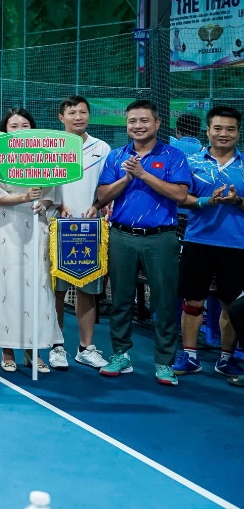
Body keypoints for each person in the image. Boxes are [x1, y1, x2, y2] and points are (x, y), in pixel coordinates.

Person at [94, 100, 192, 386]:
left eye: (144, 120)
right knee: (120, 299)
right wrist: (127, 177)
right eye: (132, 121)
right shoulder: (116, 156)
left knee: (164, 301)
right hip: (121, 236)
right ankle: (120, 355)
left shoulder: (173, 156)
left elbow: (180, 195)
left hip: (161, 238)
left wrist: (144, 175)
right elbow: (102, 196)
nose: (138, 126)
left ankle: (164, 362)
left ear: (157, 123)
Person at [0, 109, 61, 373]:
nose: (19, 130)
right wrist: (24, 197)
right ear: (5, 131)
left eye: (25, 125)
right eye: (14, 126)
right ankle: (7, 350)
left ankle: (34, 350)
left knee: (38, 288)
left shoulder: (45, 158)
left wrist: (43, 203)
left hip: (36, 226)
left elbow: (53, 193)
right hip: (8, 227)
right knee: (7, 287)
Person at [174, 105, 244, 378]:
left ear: (238, 133)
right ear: (208, 131)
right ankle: (190, 356)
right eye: (218, 128)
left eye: (230, 129)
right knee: (192, 302)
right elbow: (181, 199)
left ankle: (226, 359)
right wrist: (207, 201)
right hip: (197, 241)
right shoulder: (191, 162)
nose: (223, 133)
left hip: (236, 245)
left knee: (231, 305)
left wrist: (237, 201)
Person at [52, 96, 111, 370]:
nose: (78, 117)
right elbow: (45, 185)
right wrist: (58, 205)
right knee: (57, 291)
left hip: (91, 230)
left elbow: (107, 187)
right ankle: (56, 345)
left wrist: (97, 207)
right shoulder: (51, 148)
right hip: (56, 228)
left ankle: (86, 348)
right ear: (61, 117)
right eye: (72, 112)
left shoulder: (102, 148)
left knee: (88, 291)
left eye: (83, 112)